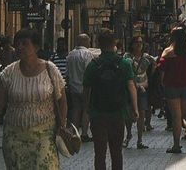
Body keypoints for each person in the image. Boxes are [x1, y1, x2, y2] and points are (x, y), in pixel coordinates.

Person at [0, 28, 68, 170]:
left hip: (44, 136)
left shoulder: (50, 69)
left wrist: (61, 126)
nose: (19, 47)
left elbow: (62, 101)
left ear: (36, 47)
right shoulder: (9, 73)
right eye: (17, 43)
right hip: (15, 138)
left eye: (25, 43)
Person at [84, 30, 137, 170]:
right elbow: (131, 86)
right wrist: (135, 108)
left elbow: (87, 89)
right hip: (118, 113)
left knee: (99, 153)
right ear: (115, 43)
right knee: (116, 152)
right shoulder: (124, 63)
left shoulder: (93, 65)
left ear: (98, 44)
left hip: (98, 113)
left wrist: (87, 109)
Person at [156, 27, 186, 154]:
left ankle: (176, 145)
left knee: (176, 116)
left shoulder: (168, 52)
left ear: (172, 37)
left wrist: (163, 85)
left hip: (172, 86)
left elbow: (162, 72)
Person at [65, 33, 95, 141]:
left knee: (76, 110)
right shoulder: (87, 54)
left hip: (73, 87)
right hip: (84, 87)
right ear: (84, 41)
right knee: (86, 110)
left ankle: (74, 132)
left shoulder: (70, 54)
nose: (89, 43)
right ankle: (84, 134)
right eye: (88, 41)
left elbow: (67, 73)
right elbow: (89, 72)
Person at [125, 37, 153, 149]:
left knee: (141, 113)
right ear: (132, 44)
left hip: (142, 89)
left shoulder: (147, 58)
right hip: (129, 88)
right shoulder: (127, 57)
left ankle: (140, 140)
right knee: (128, 114)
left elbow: (153, 68)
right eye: (136, 42)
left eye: (141, 42)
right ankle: (129, 134)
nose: (139, 44)